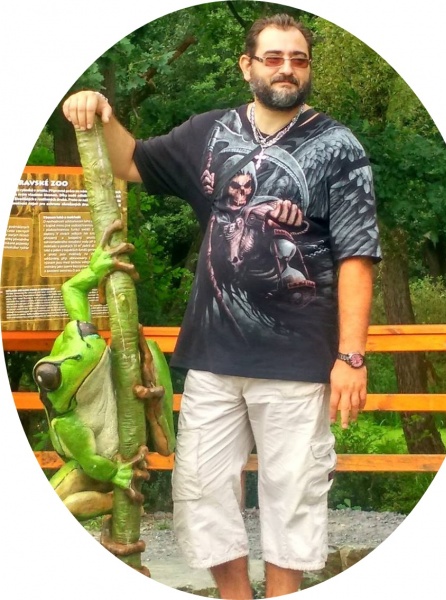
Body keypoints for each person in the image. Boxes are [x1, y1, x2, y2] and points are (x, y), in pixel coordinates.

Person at [63, 13, 381, 599]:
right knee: (202, 492)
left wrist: (351, 356)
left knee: (292, 496)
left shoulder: (338, 147)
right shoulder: (209, 133)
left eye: (299, 59)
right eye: (274, 58)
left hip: (298, 362)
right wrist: (98, 110)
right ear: (247, 65)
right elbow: (130, 162)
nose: (287, 69)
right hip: (212, 356)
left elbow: (357, 256)